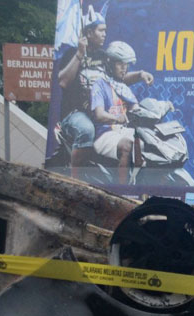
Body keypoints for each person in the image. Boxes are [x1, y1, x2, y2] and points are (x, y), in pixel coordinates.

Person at [54, 7, 108, 178]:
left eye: (105, 31)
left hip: (97, 111)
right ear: (89, 33)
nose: (104, 34)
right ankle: (75, 177)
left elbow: (118, 79)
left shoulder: (103, 56)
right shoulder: (71, 53)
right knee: (86, 130)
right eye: (101, 30)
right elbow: (63, 82)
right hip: (74, 113)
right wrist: (79, 54)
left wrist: (140, 75)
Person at [90, 41, 142, 184]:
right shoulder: (100, 85)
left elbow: (136, 108)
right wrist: (117, 118)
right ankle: (123, 189)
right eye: (120, 64)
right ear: (109, 63)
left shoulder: (122, 87)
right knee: (127, 146)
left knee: (148, 143)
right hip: (104, 133)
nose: (124, 68)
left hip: (122, 131)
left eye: (126, 64)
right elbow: (99, 115)